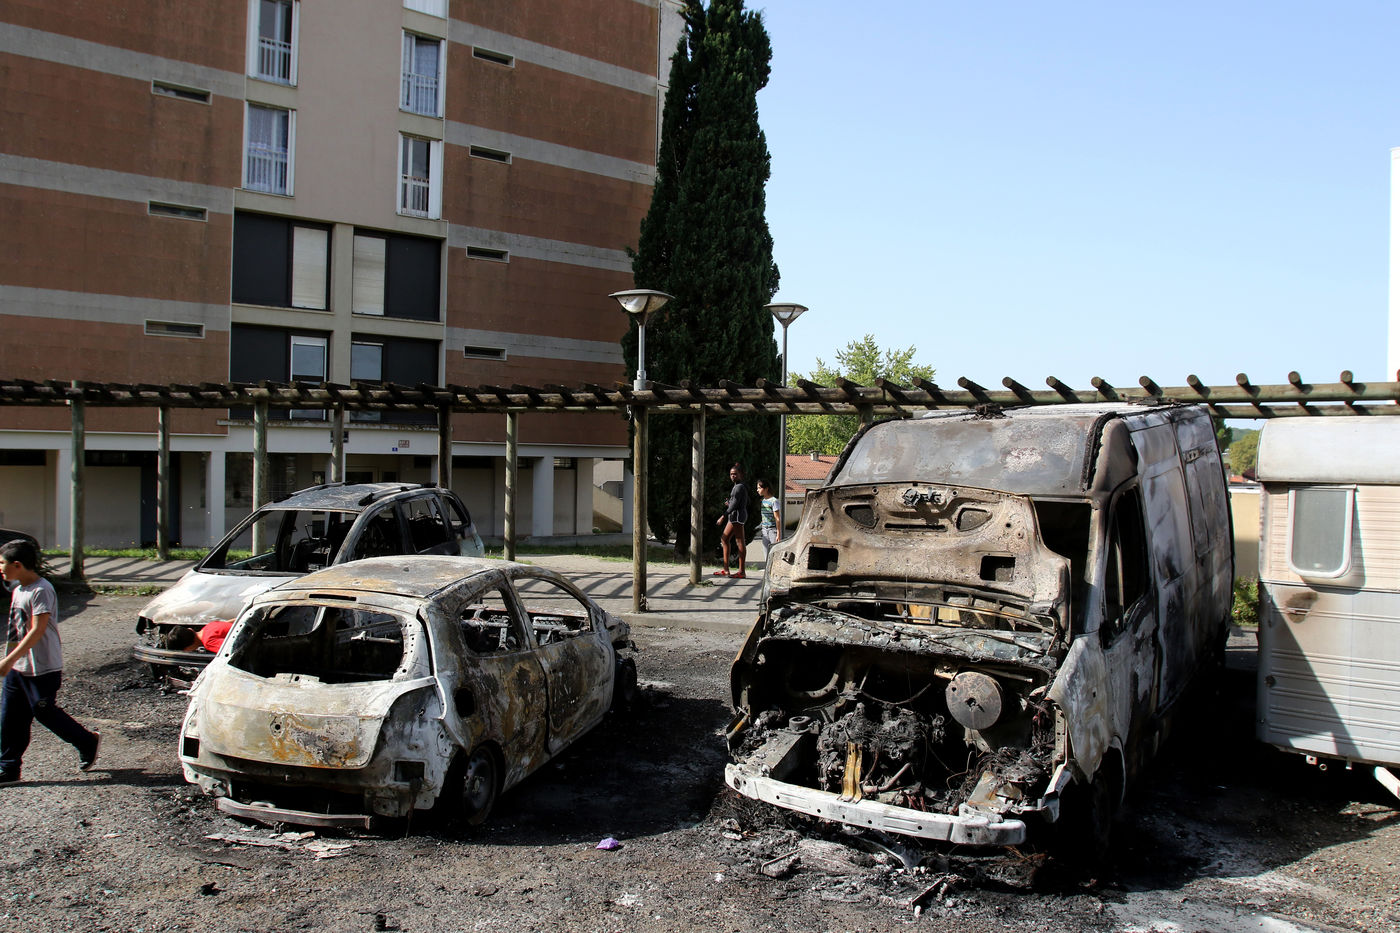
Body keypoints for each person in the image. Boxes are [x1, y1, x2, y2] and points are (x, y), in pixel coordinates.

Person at [0, 539, 100, 784]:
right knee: (10, 717)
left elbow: (38, 630)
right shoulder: (18, 590)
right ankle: (8, 768)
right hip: (18, 668)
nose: (0, 568)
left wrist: (8, 660)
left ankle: (87, 741)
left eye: (2, 563)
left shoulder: (41, 590)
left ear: (17, 565)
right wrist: (10, 660)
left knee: (44, 712)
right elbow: (16, 631)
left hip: (42, 667)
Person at [714, 463, 748, 579]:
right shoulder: (738, 486)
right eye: (731, 474)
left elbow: (735, 505)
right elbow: (736, 503)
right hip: (735, 516)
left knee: (740, 542)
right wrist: (729, 504)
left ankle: (741, 572)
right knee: (724, 539)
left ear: (741, 474)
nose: (732, 476)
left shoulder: (739, 487)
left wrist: (723, 516)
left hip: (737, 517)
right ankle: (726, 569)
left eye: (735, 474)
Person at [756, 478, 782, 552]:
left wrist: (778, 534)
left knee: (774, 553)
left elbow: (777, 518)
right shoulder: (763, 501)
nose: (757, 490)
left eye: (759, 488)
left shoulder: (774, 501)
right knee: (766, 554)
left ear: (766, 489)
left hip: (772, 531)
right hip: (764, 530)